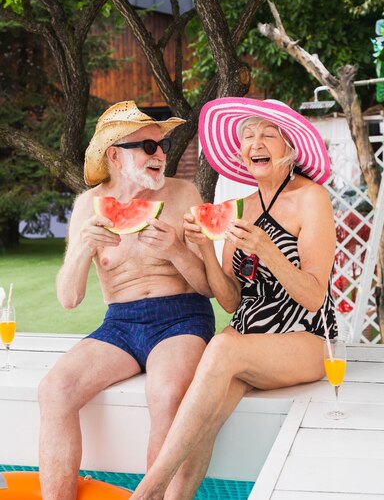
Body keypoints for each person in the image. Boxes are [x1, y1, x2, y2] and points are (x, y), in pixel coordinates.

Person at [133, 96, 338, 500]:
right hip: (246, 341)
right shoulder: (238, 205)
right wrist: (206, 250)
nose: (255, 142)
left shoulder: (312, 198)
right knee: (204, 422)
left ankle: (146, 491)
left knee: (223, 347)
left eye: (268, 134)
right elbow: (229, 300)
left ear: (290, 148)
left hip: (308, 338)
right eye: (248, 135)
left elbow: (315, 296)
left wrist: (268, 249)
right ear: (240, 151)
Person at [38, 100, 215, 500]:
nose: (160, 155)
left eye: (162, 147)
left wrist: (177, 252)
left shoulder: (185, 193)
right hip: (119, 324)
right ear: (115, 155)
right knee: (54, 389)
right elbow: (69, 298)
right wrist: (83, 249)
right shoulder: (88, 206)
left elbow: (209, 288)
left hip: (182, 318)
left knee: (167, 393)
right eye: (148, 147)